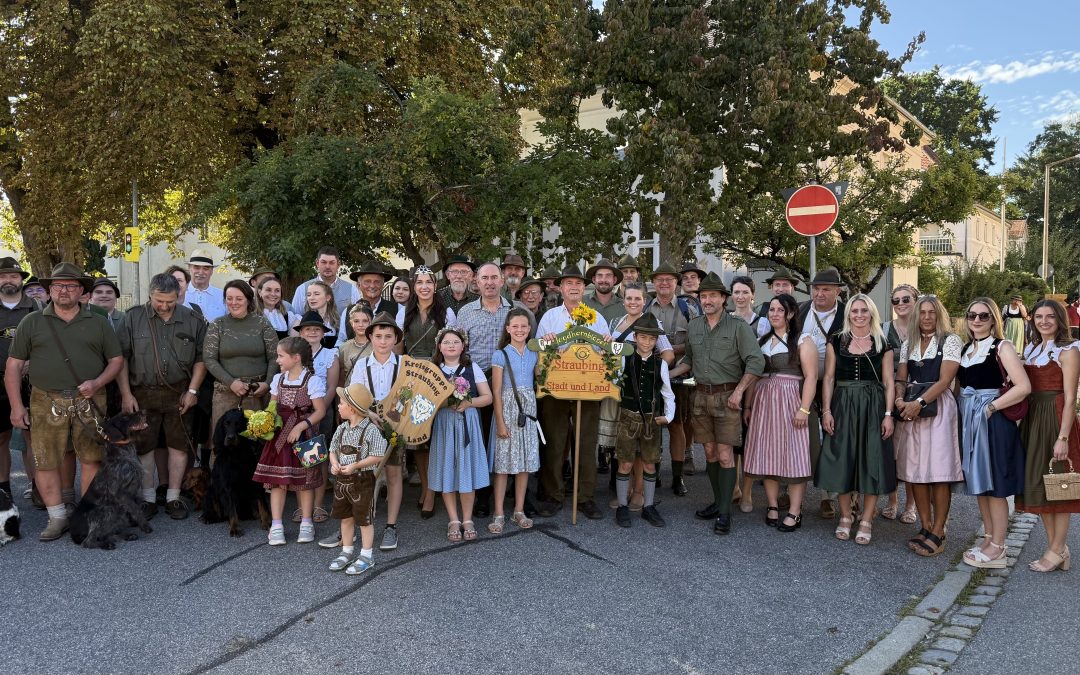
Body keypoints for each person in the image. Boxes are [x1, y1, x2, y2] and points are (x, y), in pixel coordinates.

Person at [5, 263, 124, 541]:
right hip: (45, 399)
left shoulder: (98, 322)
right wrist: (16, 406)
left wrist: (98, 383)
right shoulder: (32, 322)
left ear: (82, 291)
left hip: (90, 398)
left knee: (92, 458)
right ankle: (57, 517)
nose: (64, 290)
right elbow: (14, 366)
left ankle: (86, 515)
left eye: (71, 286)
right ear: (49, 290)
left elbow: (116, 360)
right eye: (58, 285)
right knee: (45, 461)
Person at [669, 272, 764, 535]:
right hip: (700, 398)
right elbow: (689, 360)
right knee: (709, 452)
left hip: (727, 398)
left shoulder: (738, 326)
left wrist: (739, 392)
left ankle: (725, 512)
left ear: (724, 298)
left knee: (724, 454)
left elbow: (756, 361)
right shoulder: (695, 326)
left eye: (713, 295)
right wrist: (667, 375)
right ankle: (719, 501)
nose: (708, 300)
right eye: (704, 296)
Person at [116, 273, 207, 520]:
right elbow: (121, 358)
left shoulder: (193, 319)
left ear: (179, 295)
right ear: (150, 295)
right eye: (159, 301)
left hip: (179, 393)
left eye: (170, 301)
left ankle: (173, 497)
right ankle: (147, 499)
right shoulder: (132, 318)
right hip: (142, 393)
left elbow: (201, 358)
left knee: (179, 444)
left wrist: (193, 391)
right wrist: (126, 394)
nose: (165, 306)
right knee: (144, 447)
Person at [457, 262, 536, 518]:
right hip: (478, 383)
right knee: (480, 442)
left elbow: (532, 346)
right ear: (476, 282)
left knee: (513, 439)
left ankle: (519, 497)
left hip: (511, 385)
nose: (490, 283)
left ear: (502, 281)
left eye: (494, 278)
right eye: (485, 278)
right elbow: (460, 349)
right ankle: (483, 496)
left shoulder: (518, 310)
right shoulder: (465, 312)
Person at [817, 294, 896, 546]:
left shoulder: (883, 342)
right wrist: (826, 411)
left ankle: (866, 519)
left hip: (873, 406)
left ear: (872, 313)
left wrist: (888, 414)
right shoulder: (836, 340)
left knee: (872, 460)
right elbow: (829, 378)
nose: (859, 315)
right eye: (854, 310)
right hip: (843, 404)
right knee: (842, 459)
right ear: (848, 314)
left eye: (864, 310)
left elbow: (889, 381)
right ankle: (845, 516)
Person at [957, 298, 1029, 569]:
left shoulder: (1002, 347)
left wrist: (991, 408)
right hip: (970, 420)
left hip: (993, 421)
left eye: (983, 316)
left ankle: (998, 547)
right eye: (972, 315)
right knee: (981, 484)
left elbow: (1023, 386)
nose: (976, 320)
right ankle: (988, 539)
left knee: (996, 485)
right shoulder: (967, 348)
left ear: (994, 319)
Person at [535, 264, 611, 520]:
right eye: (569, 283)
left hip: (587, 390)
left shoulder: (596, 317)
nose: (574, 287)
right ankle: (554, 495)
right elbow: (539, 352)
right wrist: (548, 344)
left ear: (584, 287)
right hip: (555, 389)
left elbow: (606, 355)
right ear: (561, 287)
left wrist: (606, 346)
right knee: (555, 444)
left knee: (586, 444)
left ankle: (585, 497)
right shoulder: (550, 317)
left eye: (578, 283)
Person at [891, 295, 963, 557]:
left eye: (932, 312)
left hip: (938, 408)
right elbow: (901, 378)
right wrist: (900, 399)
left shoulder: (950, 340)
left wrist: (918, 403)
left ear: (939, 314)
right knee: (916, 471)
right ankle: (925, 526)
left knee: (939, 472)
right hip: (912, 409)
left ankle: (939, 531)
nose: (927, 317)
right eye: (922, 313)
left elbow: (945, 380)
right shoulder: (908, 342)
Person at [742, 294, 818, 532]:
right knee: (768, 453)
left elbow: (811, 377)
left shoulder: (803, 340)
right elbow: (754, 375)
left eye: (780, 310)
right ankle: (772, 505)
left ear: (791, 313)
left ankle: (795, 511)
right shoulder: (762, 340)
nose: (774, 314)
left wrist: (804, 409)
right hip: (764, 403)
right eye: (771, 309)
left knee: (795, 455)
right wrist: (748, 405)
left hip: (791, 401)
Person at [1018, 300, 1080, 572]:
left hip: (1055, 418)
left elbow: (1070, 398)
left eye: (1050, 316)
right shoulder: (1032, 348)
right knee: (1041, 484)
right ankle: (1057, 548)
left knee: (1060, 484)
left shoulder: (1069, 350)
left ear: (1060, 319)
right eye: (1039, 316)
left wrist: (1063, 437)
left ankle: (1057, 549)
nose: (1044, 321)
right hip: (1034, 419)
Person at [252, 337, 327, 546]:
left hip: (304, 436)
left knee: (305, 482)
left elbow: (320, 411)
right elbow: (272, 407)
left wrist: (301, 426)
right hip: (280, 436)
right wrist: (263, 422)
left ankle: (306, 523)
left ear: (296, 358)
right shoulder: (278, 379)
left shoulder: (312, 380)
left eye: (280, 356)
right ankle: (277, 525)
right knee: (278, 481)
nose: (277, 360)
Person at [605, 283, 675, 502]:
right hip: (623, 395)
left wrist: (651, 372)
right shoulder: (616, 323)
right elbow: (610, 358)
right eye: (629, 298)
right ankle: (623, 495)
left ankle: (639, 492)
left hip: (645, 396)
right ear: (623, 300)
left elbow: (668, 354)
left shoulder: (652, 323)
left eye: (637, 298)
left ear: (644, 301)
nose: (633, 302)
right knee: (624, 451)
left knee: (643, 454)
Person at [347, 311, 406, 551]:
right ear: (370, 337)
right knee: (364, 475)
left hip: (394, 426)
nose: (383, 341)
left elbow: (410, 394)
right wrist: (367, 413)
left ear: (396, 339)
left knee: (393, 475)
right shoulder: (362, 364)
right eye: (378, 336)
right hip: (367, 424)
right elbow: (353, 395)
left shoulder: (403, 364)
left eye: (388, 336)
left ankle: (391, 526)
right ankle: (361, 522)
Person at [429, 327, 493, 541]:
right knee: (447, 469)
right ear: (439, 346)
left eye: (455, 342)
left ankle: (467, 519)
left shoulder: (472, 367)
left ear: (463, 345)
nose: (451, 345)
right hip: (444, 423)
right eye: (446, 342)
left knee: (466, 470)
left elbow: (488, 397)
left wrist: (468, 402)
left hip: (467, 421)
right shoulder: (433, 370)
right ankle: (453, 519)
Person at [612, 313, 674, 529]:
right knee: (625, 462)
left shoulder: (661, 364)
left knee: (649, 463)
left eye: (652, 339)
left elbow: (668, 393)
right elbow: (613, 381)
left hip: (651, 419)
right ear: (635, 337)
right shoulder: (624, 359)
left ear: (656, 341)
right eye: (643, 337)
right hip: (627, 416)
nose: (647, 342)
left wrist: (669, 416)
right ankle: (622, 506)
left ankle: (648, 506)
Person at [402, 265, 455, 515]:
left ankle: (433, 490)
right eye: (419, 282)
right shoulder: (405, 312)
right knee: (418, 440)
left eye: (429, 282)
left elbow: (452, 347)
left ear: (435, 286)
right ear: (414, 286)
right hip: (412, 378)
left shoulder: (447, 313)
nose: (424, 287)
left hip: (436, 377)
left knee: (434, 438)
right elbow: (400, 348)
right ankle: (426, 487)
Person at [203, 280, 279, 446]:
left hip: (256, 392)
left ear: (248, 300)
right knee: (222, 444)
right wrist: (231, 382)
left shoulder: (262, 323)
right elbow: (209, 358)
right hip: (225, 392)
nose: (234, 302)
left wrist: (267, 383)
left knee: (256, 443)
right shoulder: (217, 325)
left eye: (239, 298)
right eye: (229, 298)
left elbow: (275, 357)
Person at [799, 267, 847, 519]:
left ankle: (829, 495)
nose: (819, 293)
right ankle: (791, 487)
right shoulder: (800, 310)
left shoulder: (849, 314)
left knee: (833, 436)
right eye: (816, 288)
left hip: (835, 384)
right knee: (799, 436)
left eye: (826, 289)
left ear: (837, 291)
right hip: (802, 383)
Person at [326, 383, 387, 575]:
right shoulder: (342, 429)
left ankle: (367, 556)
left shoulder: (370, 430)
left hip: (362, 480)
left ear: (352, 408)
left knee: (364, 519)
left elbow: (378, 455)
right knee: (345, 517)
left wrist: (355, 465)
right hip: (342, 481)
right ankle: (346, 551)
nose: (338, 406)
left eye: (341, 403)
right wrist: (334, 463)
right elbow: (332, 450)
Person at [488, 309, 540, 534]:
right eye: (515, 326)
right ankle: (498, 512)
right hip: (508, 411)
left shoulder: (534, 352)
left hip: (527, 411)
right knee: (503, 464)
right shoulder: (500, 354)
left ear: (529, 329)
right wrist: (500, 422)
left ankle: (519, 509)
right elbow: (496, 390)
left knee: (524, 463)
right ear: (508, 329)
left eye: (524, 326)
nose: (520, 330)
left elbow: (541, 377)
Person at [646, 262, 690, 497]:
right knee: (651, 423)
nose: (664, 283)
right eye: (660, 279)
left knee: (676, 425)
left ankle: (677, 476)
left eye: (669, 280)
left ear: (676, 283)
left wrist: (670, 350)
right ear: (654, 283)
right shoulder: (645, 307)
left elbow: (695, 342)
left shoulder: (688, 309)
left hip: (678, 374)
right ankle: (652, 473)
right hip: (650, 374)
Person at [294, 311, 340, 524]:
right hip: (297, 411)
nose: (312, 332)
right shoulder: (294, 354)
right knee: (299, 458)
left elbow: (332, 386)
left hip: (322, 410)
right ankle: (301, 506)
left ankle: (318, 504)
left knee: (318, 457)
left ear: (323, 333)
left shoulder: (330, 355)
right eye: (308, 329)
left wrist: (319, 411)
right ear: (301, 333)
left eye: (316, 329)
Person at [729, 275, 768, 512]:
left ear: (753, 295)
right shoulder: (726, 319)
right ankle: (734, 486)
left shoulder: (762, 323)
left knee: (749, 441)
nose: (741, 297)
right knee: (730, 439)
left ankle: (748, 491)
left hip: (753, 385)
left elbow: (761, 360)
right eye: (737, 292)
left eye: (745, 292)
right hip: (729, 383)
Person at [882, 283, 919, 523]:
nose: (900, 304)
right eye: (896, 300)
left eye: (906, 299)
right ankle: (892, 501)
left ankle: (911, 505)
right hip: (890, 393)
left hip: (917, 395)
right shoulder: (884, 329)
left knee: (913, 452)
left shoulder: (924, 328)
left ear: (916, 301)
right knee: (891, 450)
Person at [0, 258, 37, 501]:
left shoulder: (36, 306)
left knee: (32, 436)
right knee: (1, 438)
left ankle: (38, 487)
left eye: (13, 276)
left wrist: (32, 362)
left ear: (21, 280)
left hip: (30, 382)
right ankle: (4, 489)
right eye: (3, 276)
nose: (8, 280)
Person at [343, 261, 403, 342]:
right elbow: (341, 340)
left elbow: (401, 341)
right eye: (367, 281)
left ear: (383, 284)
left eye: (377, 282)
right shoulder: (348, 311)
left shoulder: (399, 309)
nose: (372, 286)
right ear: (359, 284)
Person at [290, 246, 361, 314]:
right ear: (317, 263)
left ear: (338, 264)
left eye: (332, 262)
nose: (327, 266)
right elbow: (295, 317)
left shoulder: (351, 290)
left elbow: (359, 315)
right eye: (323, 262)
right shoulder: (302, 289)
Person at [185, 250, 226, 321]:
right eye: (197, 267)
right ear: (189, 268)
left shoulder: (222, 296)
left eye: (205, 268)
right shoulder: (179, 294)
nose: (201, 272)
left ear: (211, 271)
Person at [301, 280, 340, 349]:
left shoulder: (337, 321)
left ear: (328, 297)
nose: (311, 298)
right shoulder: (300, 320)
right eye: (308, 295)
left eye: (316, 294)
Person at [584, 258, 625, 323]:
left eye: (608, 276)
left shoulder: (624, 306)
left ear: (614, 280)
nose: (603, 280)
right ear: (594, 279)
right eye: (600, 275)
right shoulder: (582, 302)